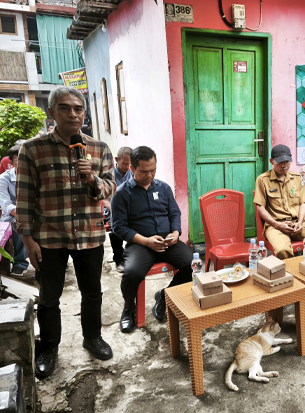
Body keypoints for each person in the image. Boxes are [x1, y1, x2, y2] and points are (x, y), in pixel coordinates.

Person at [16, 86, 116, 379]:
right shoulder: (33, 149)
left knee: (92, 292)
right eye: (65, 108)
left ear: (84, 114)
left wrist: (93, 178)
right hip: (49, 236)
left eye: (78, 109)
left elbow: (110, 187)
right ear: (51, 113)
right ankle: (49, 347)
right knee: (49, 297)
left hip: (89, 234)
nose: (73, 114)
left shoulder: (98, 148)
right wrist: (27, 237)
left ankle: (93, 337)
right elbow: (25, 196)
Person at [111, 146, 193, 334]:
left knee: (192, 264)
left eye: (153, 170)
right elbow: (119, 227)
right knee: (131, 273)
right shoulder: (122, 194)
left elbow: (174, 213)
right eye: (144, 171)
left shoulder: (163, 188)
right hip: (140, 245)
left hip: (167, 241)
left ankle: (164, 297)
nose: (149, 175)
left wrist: (175, 233)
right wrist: (147, 241)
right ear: (132, 169)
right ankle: (128, 309)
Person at [254, 144, 305, 259]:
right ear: (271, 161)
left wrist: (300, 222)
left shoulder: (297, 178)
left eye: (287, 162)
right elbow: (260, 208)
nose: (284, 165)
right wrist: (277, 224)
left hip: (297, 224)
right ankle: (290, 274)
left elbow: (302, 203)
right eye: (280, 162)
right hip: (276, 226)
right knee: (283, 250)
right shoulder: (263, 180)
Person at [0, 143, 29, 276]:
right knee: (19, 222)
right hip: (11, 215)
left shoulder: (36, 176)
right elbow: (7, 206)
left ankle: (54, 260)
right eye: (18, 159)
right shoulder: (3, 179)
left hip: (33, 212)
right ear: (11, 162)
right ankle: (20, 263)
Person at [102, 146, 133, 272]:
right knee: (116, 227)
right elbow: (104, 199)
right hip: (112, 208)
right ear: (116, 159)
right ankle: (118, 259)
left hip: (130, 208)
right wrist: (116, 210)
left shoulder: (132, 172)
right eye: (125, 163)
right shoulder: (109, 174)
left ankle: (133, 256)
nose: (127, 167)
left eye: (130, 164)